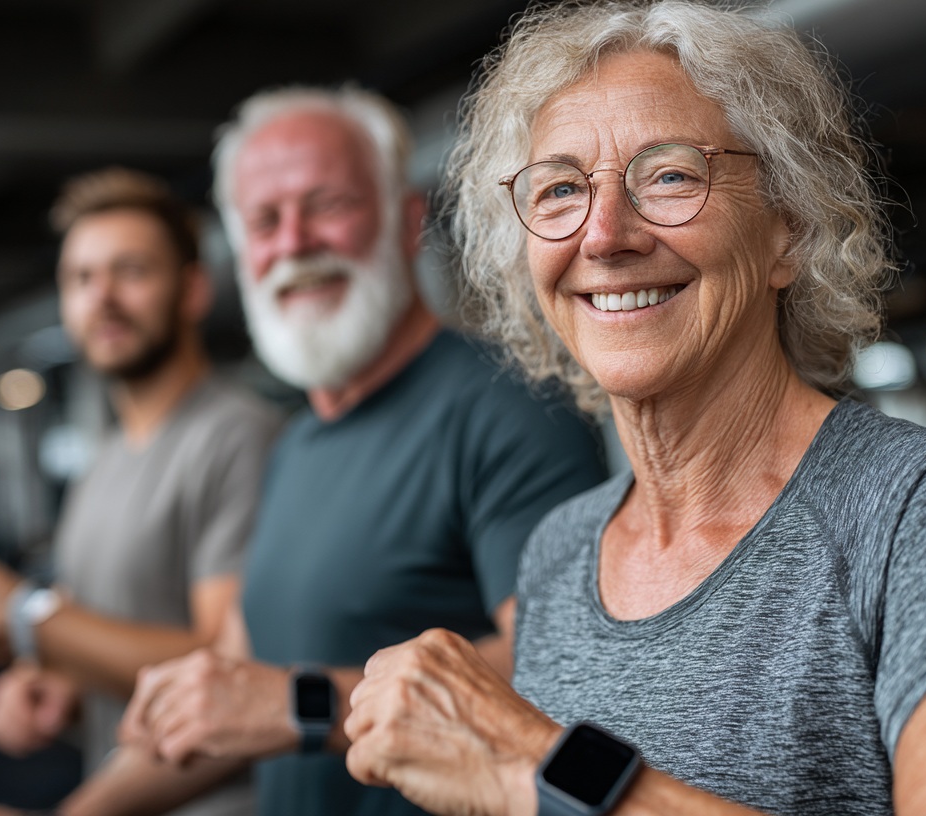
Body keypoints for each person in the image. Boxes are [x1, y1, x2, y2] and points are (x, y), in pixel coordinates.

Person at [341, 3, 926, 816]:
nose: (604, 234)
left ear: (789, 229)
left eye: (670, 174)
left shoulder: (920, 506)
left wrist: (534, 770)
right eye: (561, 189)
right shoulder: (558, 553)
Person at [114, 86, 608, 816]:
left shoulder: (511, 408)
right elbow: (239, 695)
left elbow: (570, 673)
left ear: (408, 221)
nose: (294, 242)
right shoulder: (296, 445)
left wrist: (304, 705)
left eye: (327, 204)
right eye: (264, 221)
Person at [0, 168, 280, 816]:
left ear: (193, 290)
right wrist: (43, 672)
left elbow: (227, 667)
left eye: (132, 271)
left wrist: (25, 615)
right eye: (82, 279)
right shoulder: (105, 460)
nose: (103, 297)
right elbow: (111, 632)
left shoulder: (237, 438)